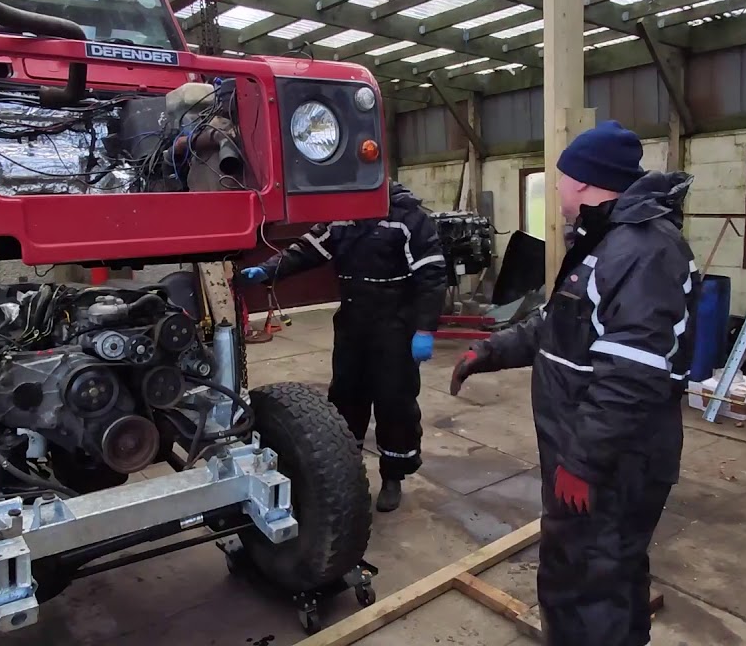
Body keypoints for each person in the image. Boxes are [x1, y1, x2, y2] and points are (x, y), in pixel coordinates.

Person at [448, 121, 698, 646]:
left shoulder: (641, 251)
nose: (558, 188)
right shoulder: (606, 241)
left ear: (584, 182)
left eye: (562, 178)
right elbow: (557, 325)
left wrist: (583, 464)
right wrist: (489, 351)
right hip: (590, 452)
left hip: (614, 464)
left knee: (584, 582)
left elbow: (630, 378)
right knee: (607, 574)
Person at [241, 182, 447, 513]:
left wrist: (424, 329)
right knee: (345, 399)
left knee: (395, 403)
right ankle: (346, 471)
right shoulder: (342, 219)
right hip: (353, 325)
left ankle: (393, 475)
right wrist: (267, 270)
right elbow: (307, 249)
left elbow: (433, 276)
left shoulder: (407, 219)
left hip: (395, 326)